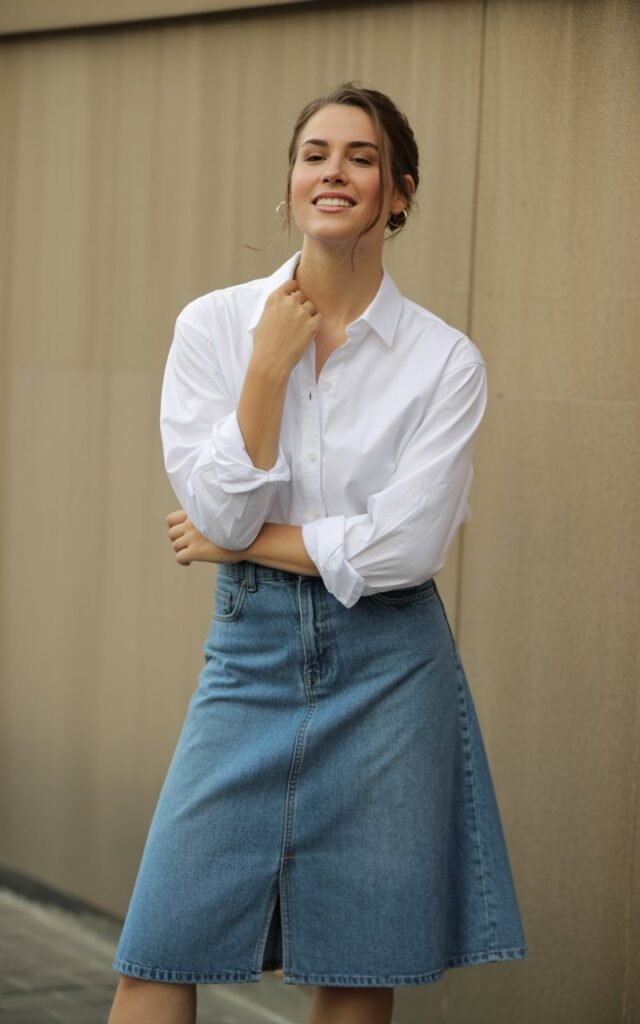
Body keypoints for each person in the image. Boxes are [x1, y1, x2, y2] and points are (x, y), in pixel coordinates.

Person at [108, 82, 526, 1024]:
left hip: (390, 666)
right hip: (247, 658)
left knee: (354, 964)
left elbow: (405, 548)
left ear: (400, 192)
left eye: (362, 156)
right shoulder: (214, 326)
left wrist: (239, 541)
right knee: (157, 952)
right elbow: (208, 499)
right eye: (314, 154)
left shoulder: (444, 360)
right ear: (293, 182)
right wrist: (266, 368)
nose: (333, 170)